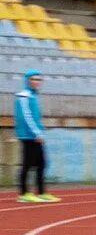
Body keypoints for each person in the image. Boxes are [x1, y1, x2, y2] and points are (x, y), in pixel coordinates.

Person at [14, 71, 56, 203]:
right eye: (33, 79)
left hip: (36, 135)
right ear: (27, 80)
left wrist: (41, 130)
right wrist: (36, 133)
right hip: (29, 136)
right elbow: (26, 117)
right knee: (28, 164)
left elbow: (36, 117)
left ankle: (42, 192)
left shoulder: (34, 96)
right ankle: (24, 193)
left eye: (39, 80)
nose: (36, 82)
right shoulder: (24, 96)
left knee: (42, 164)